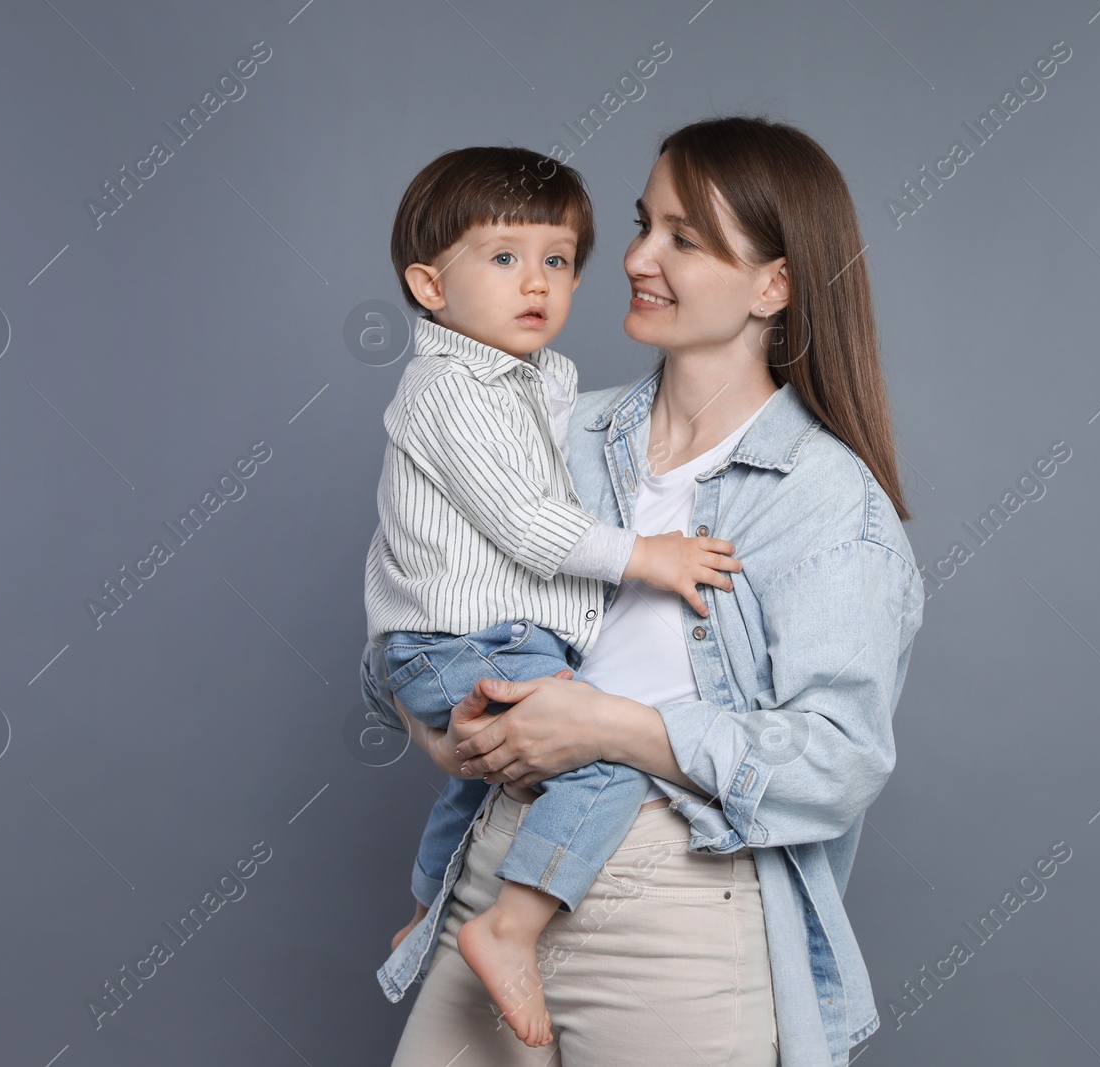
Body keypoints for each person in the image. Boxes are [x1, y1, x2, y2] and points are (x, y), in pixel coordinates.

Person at [367, 114, 925, 1066]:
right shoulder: (550, 422)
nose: (634, 258)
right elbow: (422, 598)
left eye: (684, 238)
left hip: (678, 913)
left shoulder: (828, 502)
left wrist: (609, 728)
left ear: (774, 285)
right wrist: (449, 734)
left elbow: (840, 758)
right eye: (642, 223)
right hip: (498, 875)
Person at [363, 145, 746, 1046]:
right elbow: (529, 523)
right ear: (429, 286)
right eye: (502, 259)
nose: (536, 282)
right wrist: (650, 557)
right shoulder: (450, 388)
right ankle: (510, 927)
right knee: (605, 758)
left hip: (474, 636)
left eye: (558, 259)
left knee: (483, 786)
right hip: (460, 637)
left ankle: (431, 913)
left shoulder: (549, 380)